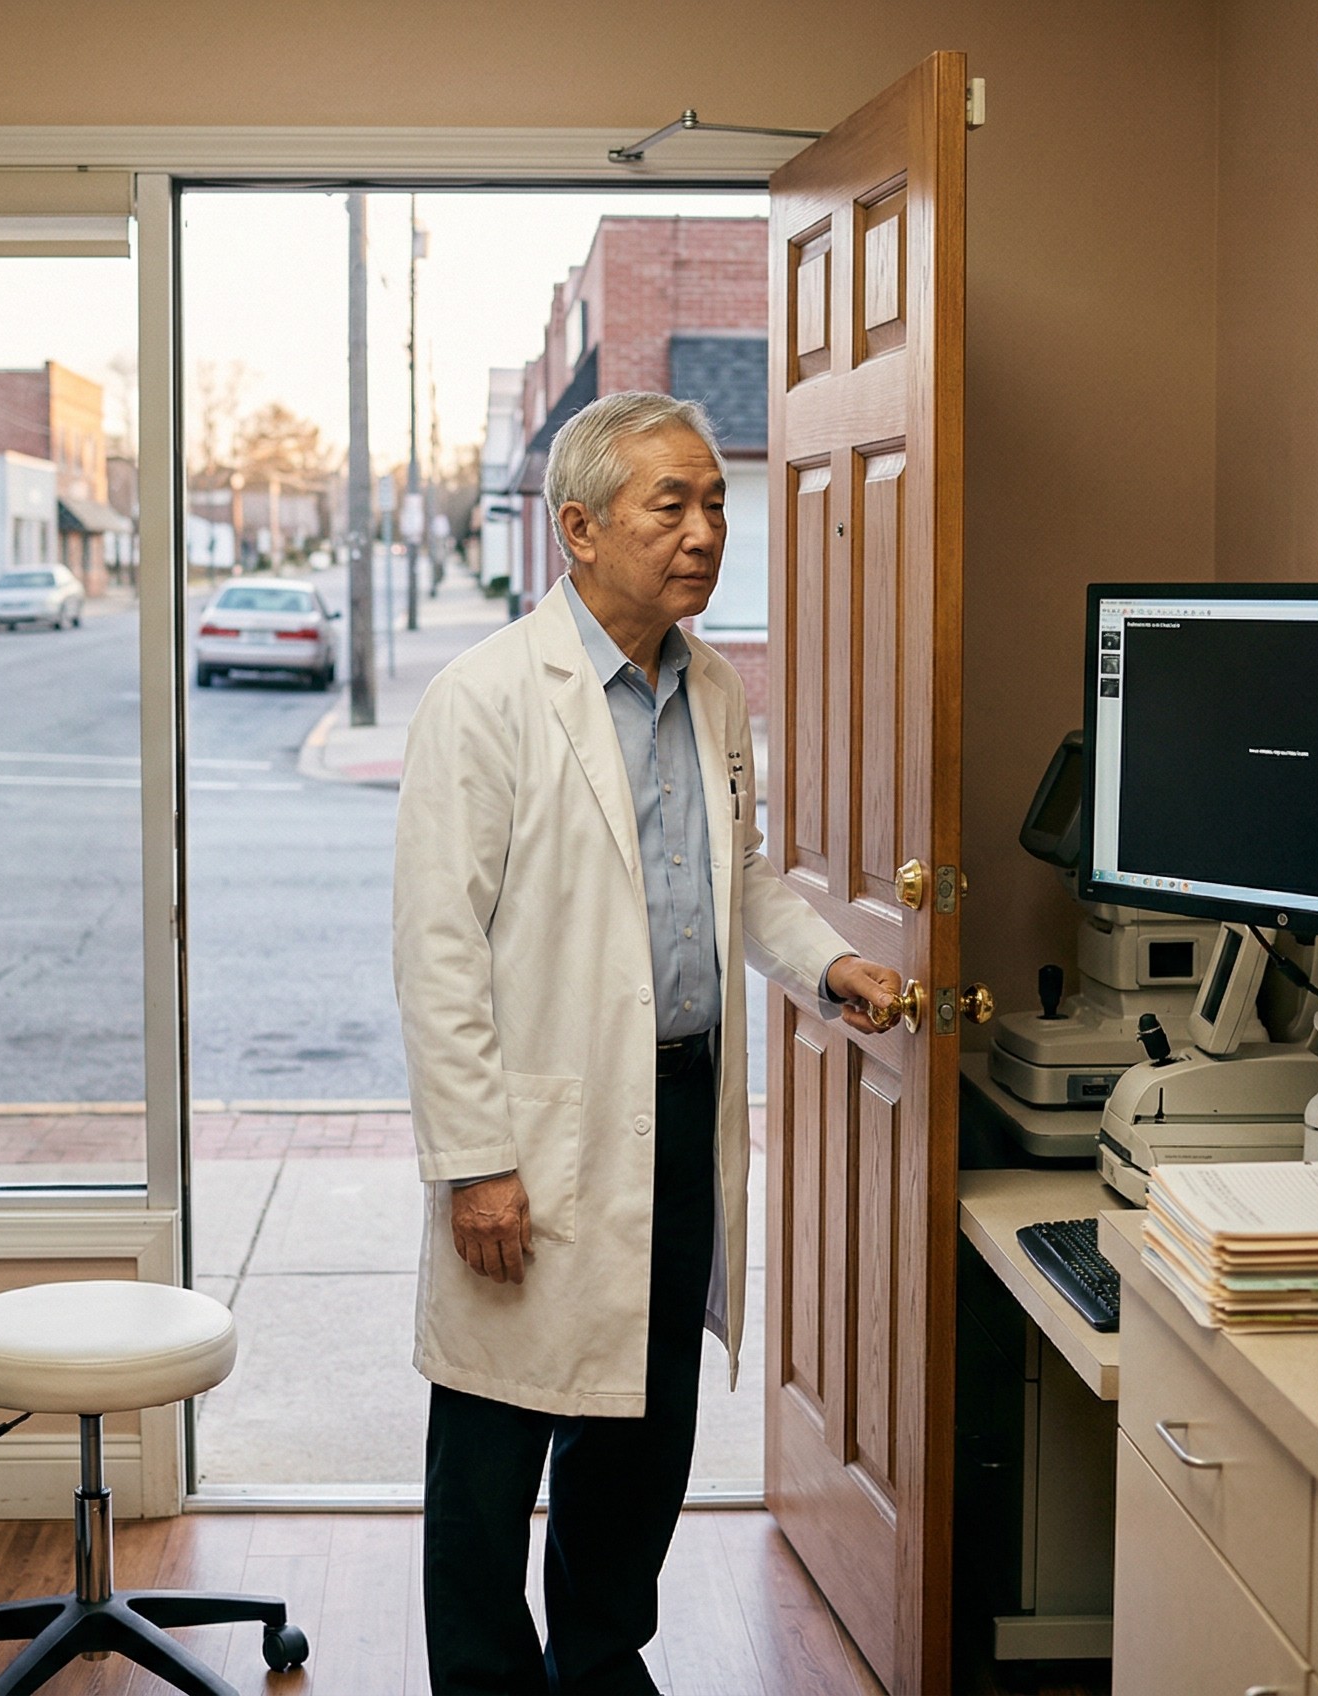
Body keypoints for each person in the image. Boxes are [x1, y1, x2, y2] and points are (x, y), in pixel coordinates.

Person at [393, 391, 903, 1694]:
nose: (703, 531)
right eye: (668, 504)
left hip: (677, 1116)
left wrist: (826, 959)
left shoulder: (717, 691)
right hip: (537, 1131)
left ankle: (603, 1661)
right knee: (494, 1457)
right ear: (578, 529)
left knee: (642, 1429)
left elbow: (738, 883)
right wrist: (475, 1163)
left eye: (716, 502)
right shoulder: (490, 698)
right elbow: (437, 955)